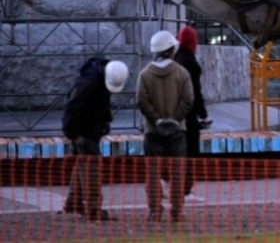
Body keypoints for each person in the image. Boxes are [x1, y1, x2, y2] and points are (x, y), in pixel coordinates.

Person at [61, 58, 129, 221]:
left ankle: (74, 203)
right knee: (92, 171)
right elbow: (71, 110)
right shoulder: (88, 85)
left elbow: (102, 102)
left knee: (83, 167)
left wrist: (106, 119)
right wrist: (74, 135)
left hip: (89, 130)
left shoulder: (99, 78)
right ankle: (93, 209)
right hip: (85, 132)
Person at [137, 30, 193, 222]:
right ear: (171, 50)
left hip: (152, 132)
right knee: (177, 173)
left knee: (153, 173)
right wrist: (175, 119)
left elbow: (141, 101)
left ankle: (154, 211)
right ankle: (176, 211)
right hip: (177, 132)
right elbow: (188, 99)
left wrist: (156, 120)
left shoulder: (144, 75)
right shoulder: (182, 73)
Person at [166, 26, 212, 203]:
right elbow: (195, 93)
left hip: (174, 113)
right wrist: (204, 115)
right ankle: (185, 191)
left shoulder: (176, 59)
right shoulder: (191, 64)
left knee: (178, 153)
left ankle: (175, 188)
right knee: (191, 152)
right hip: (189, 115)